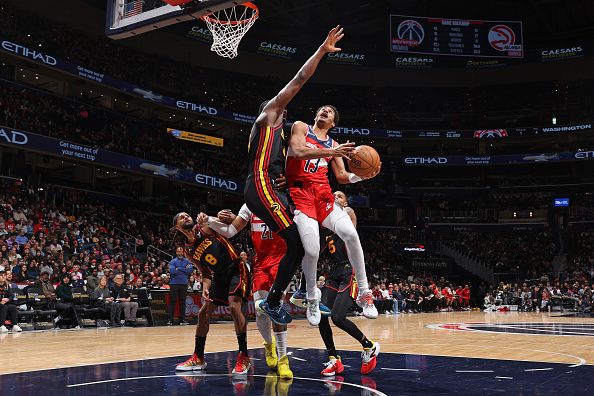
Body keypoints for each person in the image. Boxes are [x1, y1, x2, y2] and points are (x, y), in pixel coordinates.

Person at [244, 26, 353, 325]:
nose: (286, 110)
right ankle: (277, 299)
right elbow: (299, 79)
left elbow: (282, 164)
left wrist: (282, 178)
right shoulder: (268, 116)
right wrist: (321, 50)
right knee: (297, 242)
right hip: (260, 186)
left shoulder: (279, 134)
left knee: (303, 238)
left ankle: (300, 292)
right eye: (282, 108)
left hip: (270, 187)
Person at [286, 105, 379, 324]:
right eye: (322, 109)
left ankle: (365, 293)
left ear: (333, 123)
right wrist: (332, 152)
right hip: (300, 194)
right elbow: (298, 152)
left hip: (323, 195)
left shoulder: (334, 144)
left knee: (351, 234)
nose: (325, 111)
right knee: (312, 249)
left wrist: (363, 177)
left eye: (329, 111)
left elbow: (343, 176)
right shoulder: (301, 128)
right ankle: (310, 297)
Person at [205, 205, 293, 379]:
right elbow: (230, 230)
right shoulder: (250, 204)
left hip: (281, 260)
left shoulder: (285, 199)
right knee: (261, 313)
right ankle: (269, 345)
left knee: (276, 309)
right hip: (260, 262)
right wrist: (209, 220)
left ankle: (283, 359)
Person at [172, 212, 251, 374]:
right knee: (203, 313)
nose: (187, 217)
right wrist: (205, 287)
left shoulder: (205, 226)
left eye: (188, 215)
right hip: (219, 277)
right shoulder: (188, 251)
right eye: (182, 217)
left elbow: (233, 222)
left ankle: (243, 355)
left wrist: (220, 216)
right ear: (177, 227)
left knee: (234, 307)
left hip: (236, 269)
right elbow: (205, 273)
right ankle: (198, 357)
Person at [317, 191, 379, 376]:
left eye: (340, 195)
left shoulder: (347, 215)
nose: (336, 196)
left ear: (345, 201)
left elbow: (349, 216)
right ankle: (333, 359)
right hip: (333, 272)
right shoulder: (326, 226)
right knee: (321, 315)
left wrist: (337, 207)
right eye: (333, 194)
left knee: (337, 317)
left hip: (348, 271)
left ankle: (368, 346)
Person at [168, 246, 193, 326]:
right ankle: (170, 320)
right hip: (174, 284)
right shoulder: (172, 261)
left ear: (183, 252)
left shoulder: (187, 261)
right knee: (173, 302)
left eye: (181, 251)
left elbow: (190, 270)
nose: (179, 253)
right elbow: (172, 271)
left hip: (184, 284)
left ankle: (182, 319)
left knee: (183, 302)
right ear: (176, 252)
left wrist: (178, 268)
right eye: (178, 251)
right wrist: (184, 270)